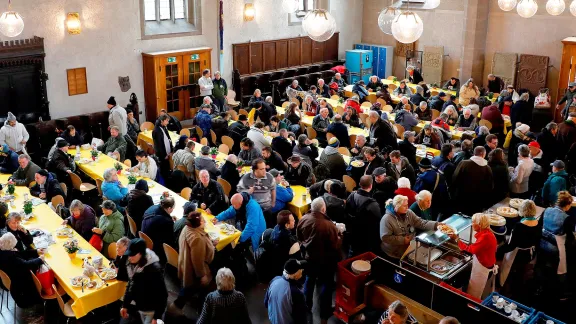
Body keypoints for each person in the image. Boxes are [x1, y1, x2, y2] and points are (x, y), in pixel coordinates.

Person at [297, 198, 340, 322]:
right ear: (323, 209)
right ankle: (324, 314)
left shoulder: (303, 219)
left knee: (309, 281)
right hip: (325, 262)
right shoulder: (328, 225)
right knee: (326, 286)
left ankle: (306, 306)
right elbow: (334, 246)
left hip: (309, 258)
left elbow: (299, 237)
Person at [450, 213, 497, 299]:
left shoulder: (484, 237)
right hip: (486, 265)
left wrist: (457, 239)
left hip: (482, 269)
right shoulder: (487, 233)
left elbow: (471, 249)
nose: (471, 224)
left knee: (473, 295)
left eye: (473, 222)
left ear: (479, 224)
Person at [120, 238, 167, 324]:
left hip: (150, 310)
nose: (129, 258)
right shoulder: (133, 263)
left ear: (141, 254)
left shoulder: (154, 270)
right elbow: (131, 284)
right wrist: (125, 305)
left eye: (133, 255)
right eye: (129, 254)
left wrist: (157, 317)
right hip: (138, 305)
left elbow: (162, 295)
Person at [498, 200, 541, 292]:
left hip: (517, 255)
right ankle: (520, 288)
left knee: (511, 273)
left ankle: (508, 289)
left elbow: (511, 246)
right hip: (528, 254)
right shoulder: (538, 224)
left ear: (522, 210)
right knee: (521, 272)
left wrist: (498, 250)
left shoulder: (519, 226)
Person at [380, 195, 438, 261]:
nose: (407, 207)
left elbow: (421, 223)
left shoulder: (409, 213)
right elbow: (385, 237)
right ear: (397, 207)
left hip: (409, 248)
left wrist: (436, 225)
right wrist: (403, 240)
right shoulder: (386, 219)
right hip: (394, 252)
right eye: (404, 206)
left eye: (407, 205)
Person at [539, 191, 573, 290]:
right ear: (567, 205)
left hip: (542, 243)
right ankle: (558, 288)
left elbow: (541, 224)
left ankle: (541, 285)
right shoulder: (566, 218)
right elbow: (570, 237)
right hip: (555, 248)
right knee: (556, 269)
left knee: (542, 266)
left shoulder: (547, 210)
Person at [0, 232, 44, 308]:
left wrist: (35, 251)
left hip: (12, 282)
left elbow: (20, 255)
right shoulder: (11, 257)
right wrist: (40, 259)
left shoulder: (4, 252)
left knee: (32, 260)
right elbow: (26, 265)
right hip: (21, 289)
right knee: (37, 267)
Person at [452, 146, 494, 215]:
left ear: (474, 153)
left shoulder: (464, 163)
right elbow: (490, 186)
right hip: (478, 200)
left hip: (462, 197)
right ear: (484, 154)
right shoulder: (487, 168)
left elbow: (455, 178)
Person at [346, 175, 382, 256]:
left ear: (359, 184)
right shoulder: (373, 204)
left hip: (352, 230)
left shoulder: (351, 195)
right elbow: (378, 222)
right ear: (371, 185)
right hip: (365, 236)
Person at [265, 259, 308, 324]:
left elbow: (266, 303)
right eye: (301, 270)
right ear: (295, 275)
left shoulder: (274, 280)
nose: (302, 271)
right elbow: (300, 319)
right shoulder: (296, 292)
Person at [141, 197, 176, 263]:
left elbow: (157, 219)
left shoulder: (152, 207)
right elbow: (170, 240)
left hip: (144, 236)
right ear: (169, 208)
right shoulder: (167, 222)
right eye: (173, 208)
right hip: (154, 245)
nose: (172, 210)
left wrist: (169, 217)